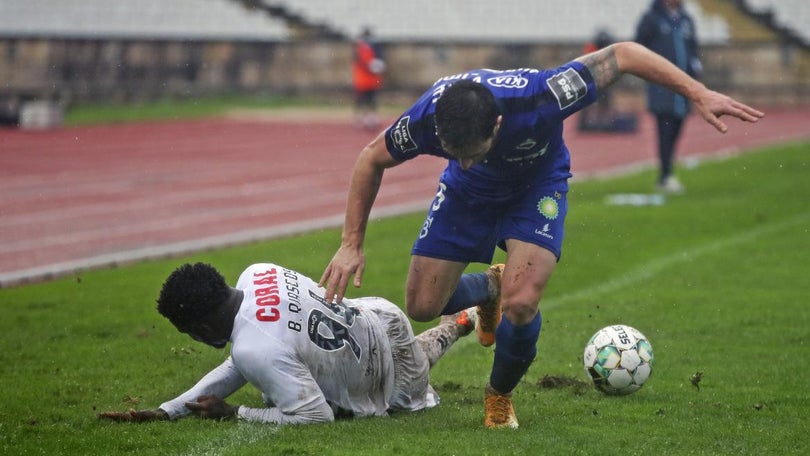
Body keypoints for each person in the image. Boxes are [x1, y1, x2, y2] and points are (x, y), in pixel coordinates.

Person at [319, 41, 763, 429]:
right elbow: (371, 158)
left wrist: (697, 92)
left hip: (536, 189)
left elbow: (624, 55)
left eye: (473, 154)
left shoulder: (544, 95)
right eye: (457, 154)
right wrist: (351, 243)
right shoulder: (429, 116)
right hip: (465, 197)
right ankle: (489, 287)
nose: (467, 160)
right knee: (421, 306)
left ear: (496, 125)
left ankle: (498, 395)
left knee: (523, 301)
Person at [99, 262, 476, 425]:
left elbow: (315, 417)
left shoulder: (253, 347)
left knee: (422, 359)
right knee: (413, 351)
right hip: (375, 313)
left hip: (387, 377)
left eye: (189, 333)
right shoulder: (257, 272)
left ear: (199, 325)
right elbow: (249, 355)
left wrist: (235, 413)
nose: (194, 340)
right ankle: (461, 319)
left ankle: (464, 318)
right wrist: (169, 410)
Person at [635, 0, 703, 193]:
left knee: (677, 127)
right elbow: (638, 47)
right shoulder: (652, 19)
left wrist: (695, 65)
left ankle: (668, 171)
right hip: (661, 87)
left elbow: (693, 46)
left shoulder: (686, 19)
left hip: (684, 87)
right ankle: (665, 175)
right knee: (665, 130)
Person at [353, 27, 386, 132]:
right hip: (364, 79)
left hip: (368, 79)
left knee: (368, 99)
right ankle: (363, 119)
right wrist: (373, 66)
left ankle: (368, 119)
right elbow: (363, 63)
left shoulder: (371, 48)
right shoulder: (361, 49)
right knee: (364, 99)